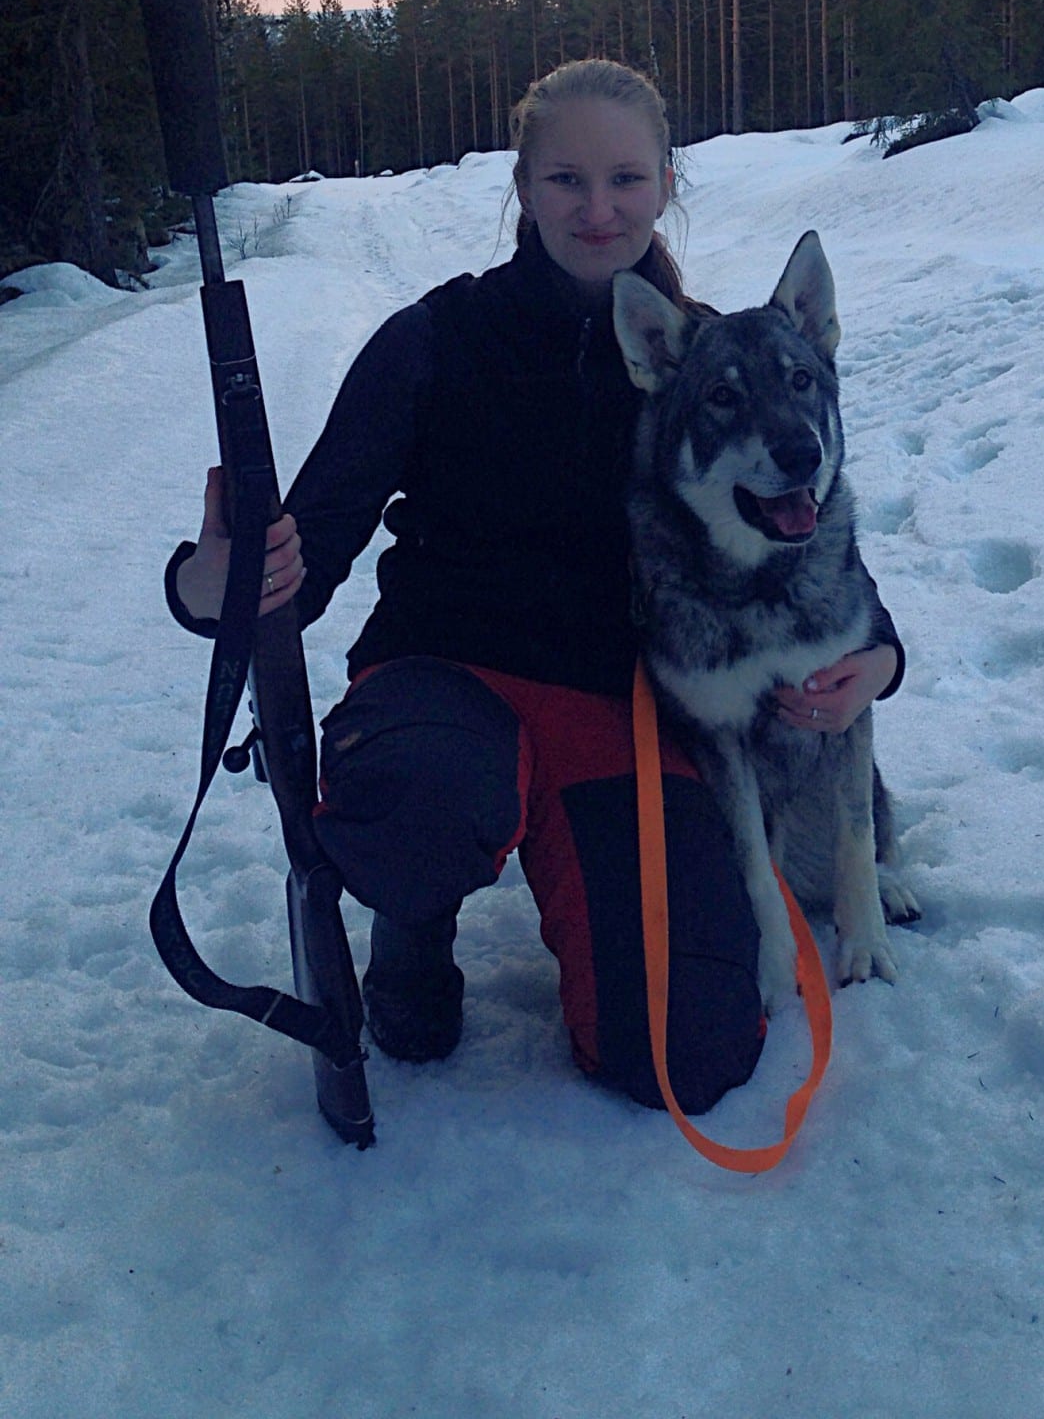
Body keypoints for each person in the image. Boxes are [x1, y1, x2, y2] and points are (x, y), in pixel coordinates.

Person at [165, 58, 902, 1115]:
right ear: (522, 185)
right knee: (420, 802)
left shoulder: (704, 358)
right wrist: (212, 580)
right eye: (565, 180)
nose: (598, 209)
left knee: (688, 1052)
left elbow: (812, 538)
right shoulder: (435, 339)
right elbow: (302, 553)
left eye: (625, 180)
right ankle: (411, 929)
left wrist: (883, 655)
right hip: (447, 675)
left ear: (664, 187)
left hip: (619, 710)